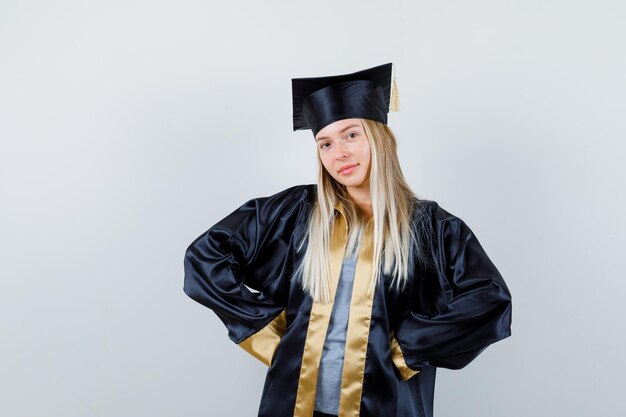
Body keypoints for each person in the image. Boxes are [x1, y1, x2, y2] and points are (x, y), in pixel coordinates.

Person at [183, 63, 512, 417]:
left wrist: (405, 350)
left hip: (386, 405)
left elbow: (489, 299)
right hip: (295, 404)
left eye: (351, 135)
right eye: (325, 143)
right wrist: (269, 331)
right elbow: (205, 257)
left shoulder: (430, 227)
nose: (338, 153)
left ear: (379, 137)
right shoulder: (295, 212)